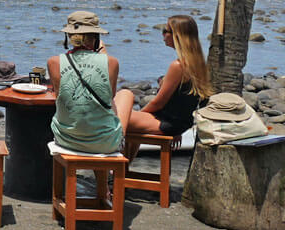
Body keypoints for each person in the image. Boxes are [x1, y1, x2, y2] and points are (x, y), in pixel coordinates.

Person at [114, 15, 212, 158]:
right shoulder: (198, 64)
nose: (163, 35)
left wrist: (142, 113)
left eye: (165, 31)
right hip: (178, 123)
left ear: (177, 36)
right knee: (128, 119)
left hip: (166, 122)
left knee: (116, 118)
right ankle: (121, 172)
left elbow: (158, 102)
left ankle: (114, 170)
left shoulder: (178, 66)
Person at [47, 10, 129, 154]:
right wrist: (102, 53)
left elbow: (59, 94)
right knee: (126, 95)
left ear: (69, 36)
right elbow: (109, 98)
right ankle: (108, 173)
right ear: (96, 36)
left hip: (66, 140)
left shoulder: (54, 62)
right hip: (106, 144)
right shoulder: (111, 62)